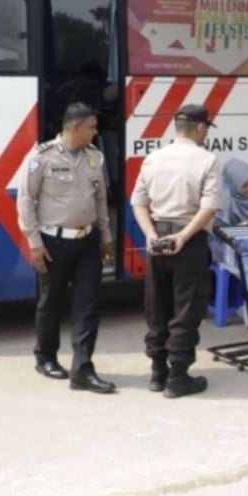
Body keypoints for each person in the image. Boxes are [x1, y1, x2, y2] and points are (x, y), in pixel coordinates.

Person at [18, 103, 116, 393]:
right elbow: (25, 201)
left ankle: (83, 369)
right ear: (75, 127)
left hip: (87, 242)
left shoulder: (94, 157)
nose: (96, 132)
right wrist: (34, 243)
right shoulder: (41, 157)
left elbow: (100, 200)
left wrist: (105, 236)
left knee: (87, 306)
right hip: (53, 243)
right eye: (92, 127)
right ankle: (45, 356)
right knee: (51, 303)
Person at [131, 104, 222, 398]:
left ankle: (158, 374)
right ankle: (178, 378)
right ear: (200, 128)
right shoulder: (208, 160)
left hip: (157, 239)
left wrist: (151, 236)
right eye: (206, 128)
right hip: (189, 242)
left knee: (157, 306)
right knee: (186, 309)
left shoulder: (153, 158)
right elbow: (209, 208)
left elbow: (139, 203)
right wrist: (183, 236)